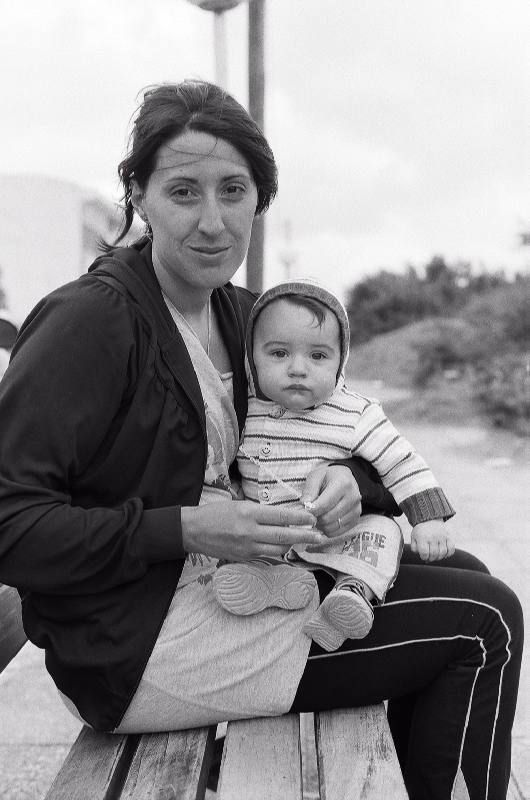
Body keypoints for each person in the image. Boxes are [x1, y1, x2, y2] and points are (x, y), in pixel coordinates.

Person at [0, 80, 522, 800]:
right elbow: (11, 524)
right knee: (485, 622)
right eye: (184, 191)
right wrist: (182, 527)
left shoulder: (247, 317)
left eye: (234, 190)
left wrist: (351, 481)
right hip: (140, 642)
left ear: (260, 199)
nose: (213, 221)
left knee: (466, 569)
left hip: (242, 586)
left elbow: (348, 427)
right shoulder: (91, 323)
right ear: (139, 196)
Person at [212, 279, 456, 652]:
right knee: (245, 542)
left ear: (340, 361)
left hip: (343, 537)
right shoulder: (242, 408)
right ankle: (271, 584)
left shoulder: (355, 412)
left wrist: (428, 519)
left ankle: (353, 593)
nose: (298, 369)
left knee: (383, 534)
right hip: (273, 541)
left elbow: (401, 460)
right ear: (251, 358)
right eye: (278, 354)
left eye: (318, 356)